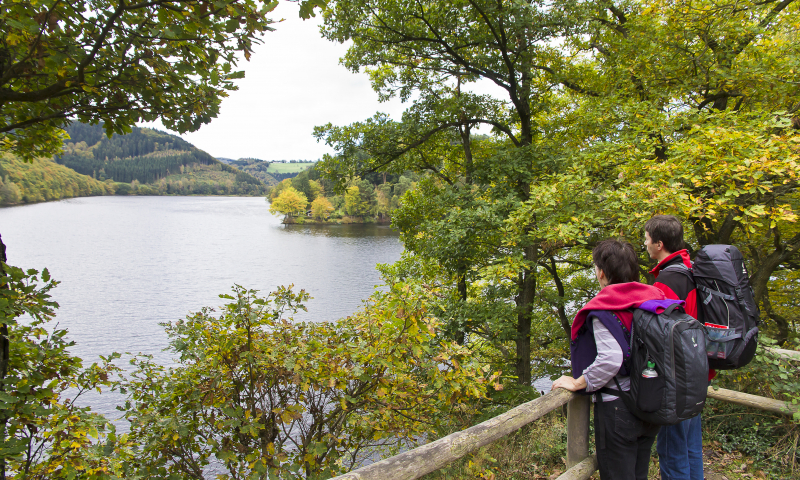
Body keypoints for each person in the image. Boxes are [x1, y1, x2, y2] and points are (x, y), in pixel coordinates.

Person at [552, 239, 679, 480]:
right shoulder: (653, 300)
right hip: (651, 401)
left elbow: (611, 359)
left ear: (601, 273)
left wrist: (580, 382)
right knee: (638, 473)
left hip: (618, 406)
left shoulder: (606, 309)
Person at [644, 215, 710, 480]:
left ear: (659, 244)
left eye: (647, 239)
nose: (645, 244)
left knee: (671, 449)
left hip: (676, 379)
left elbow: (659, 336)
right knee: (691, 445)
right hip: (697, 372)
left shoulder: (666, 282)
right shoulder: (690, 268)